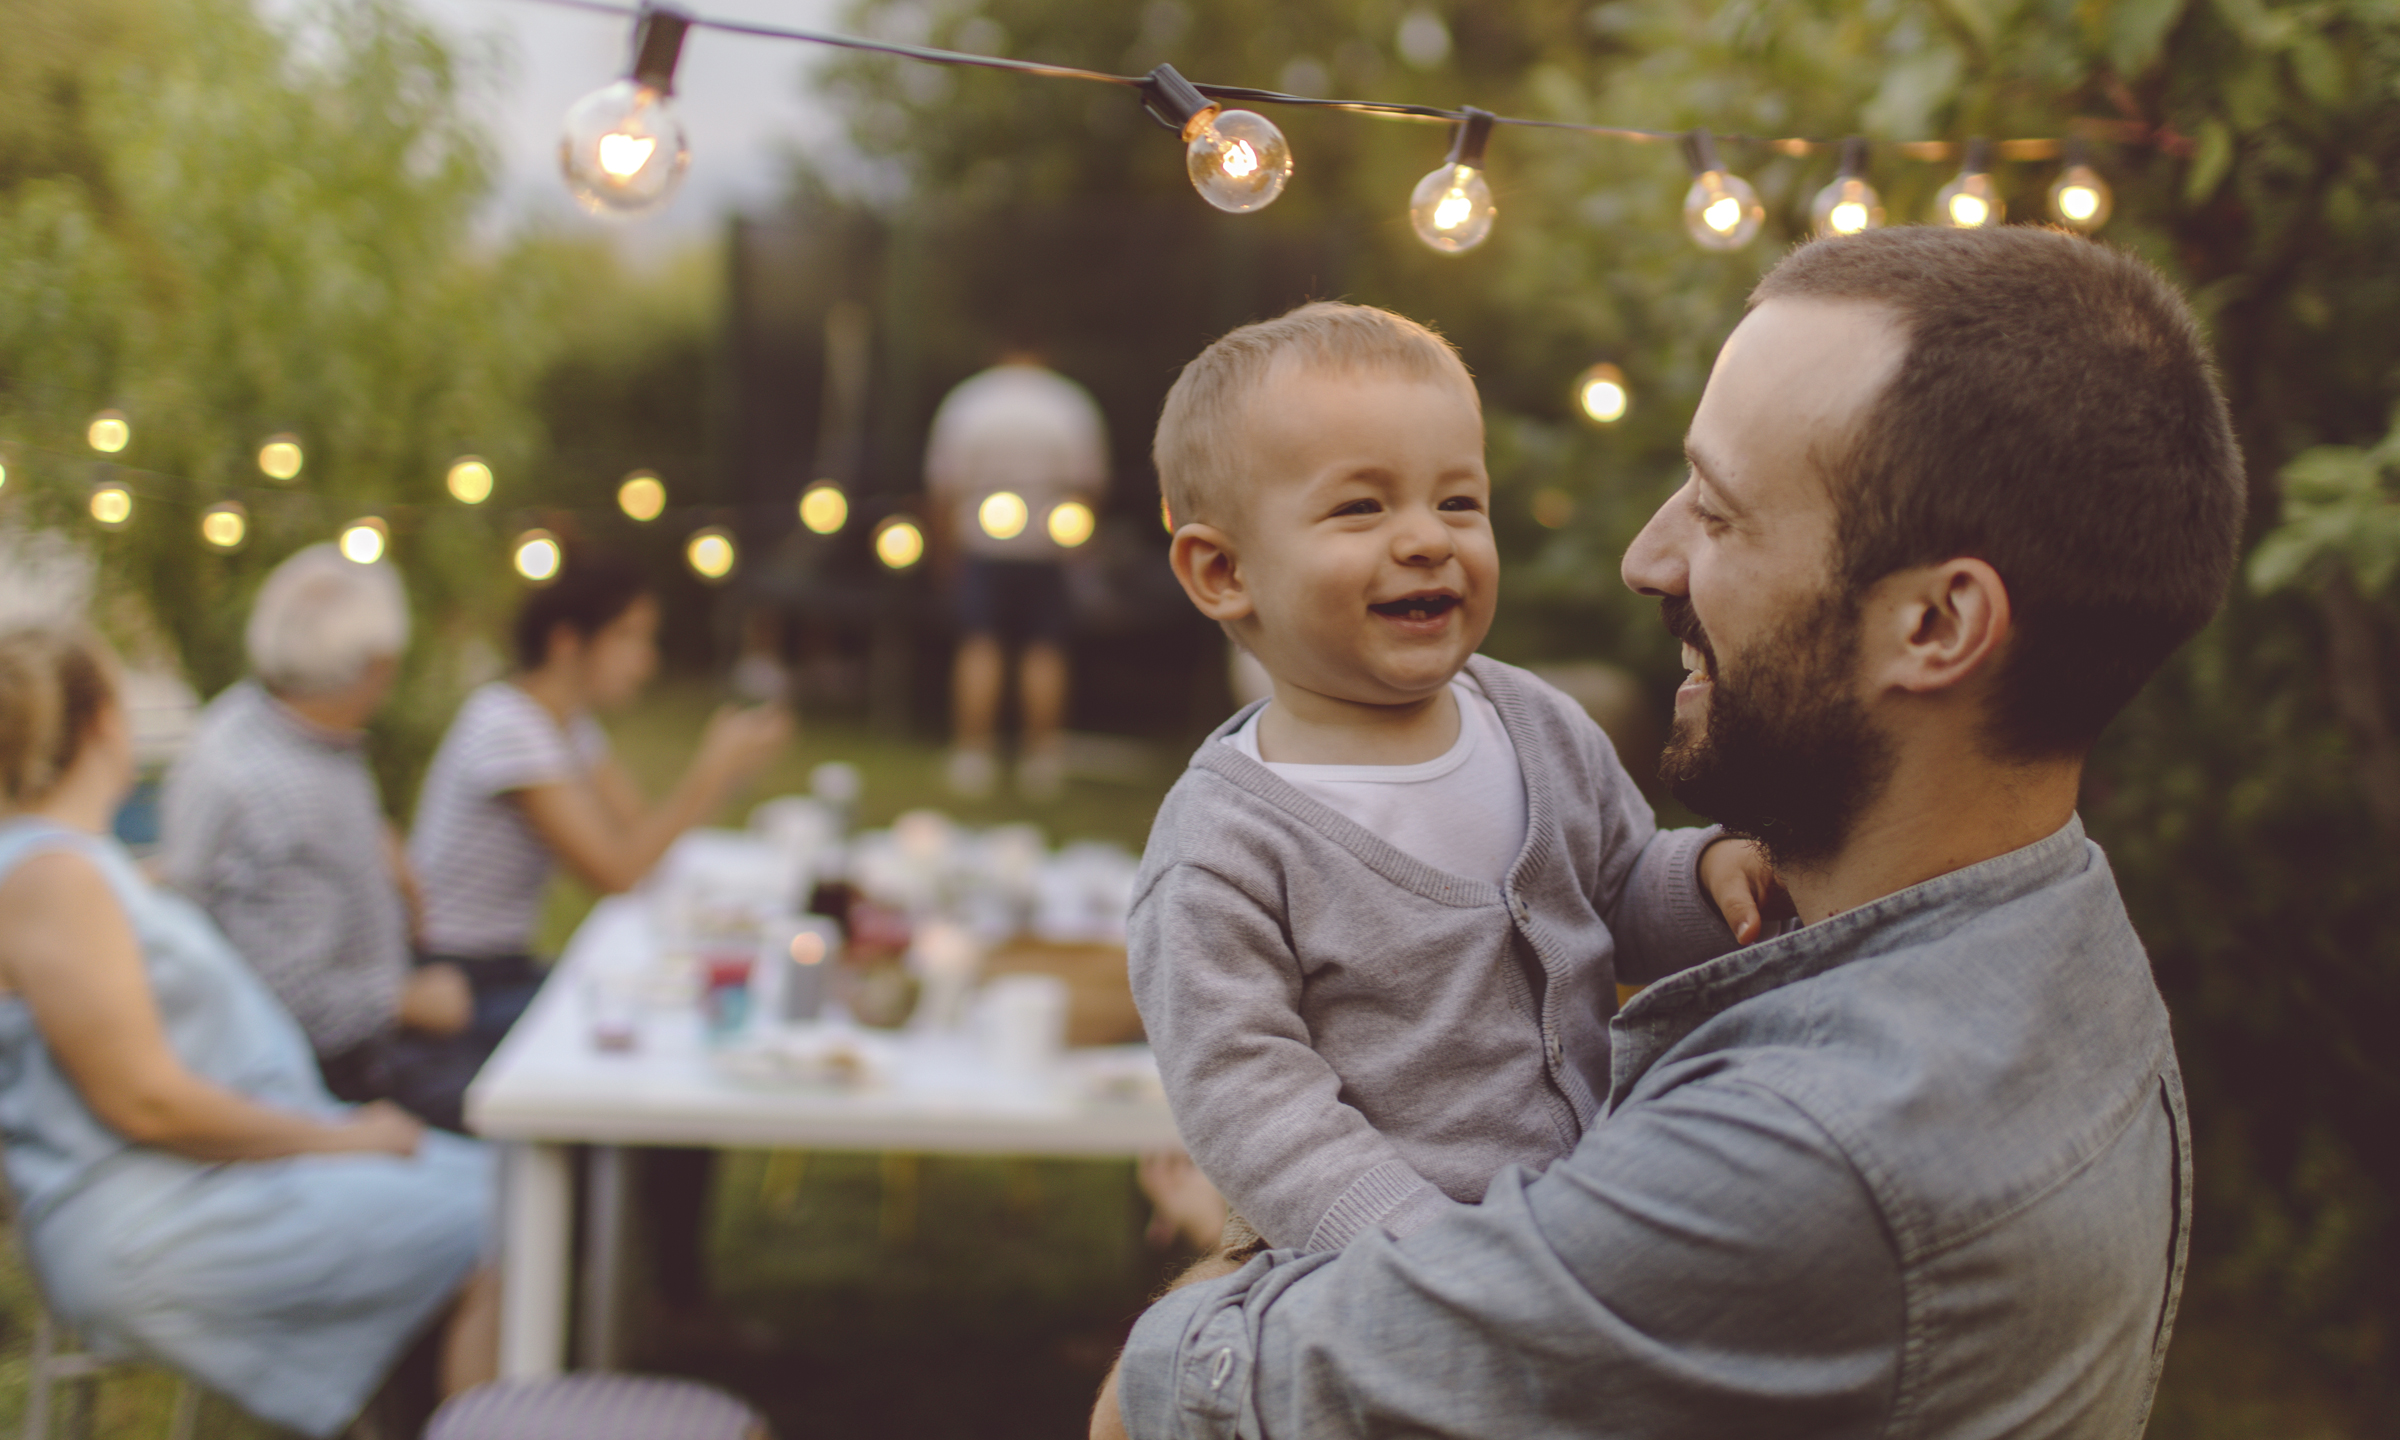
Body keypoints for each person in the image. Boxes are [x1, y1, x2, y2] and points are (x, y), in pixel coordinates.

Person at [1094, 225, 2245, 1438]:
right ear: (1222, 573)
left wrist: (1236, 1287)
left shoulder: (1798, 1160)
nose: (1648, 559)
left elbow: (1149, 1406)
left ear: (1936, 624)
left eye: (1720, 511)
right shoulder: (2059, 933)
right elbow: (1252, 1086)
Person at [1132, 301, 1778, 1254]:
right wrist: (1421, 1254)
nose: (1427, 538)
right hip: (1394, 1287)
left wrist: (1700, 879)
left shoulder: (1537, 724)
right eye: (1362, 506)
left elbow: (1616, 893)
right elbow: (1253, 1103)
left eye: (1458, 501)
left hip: (1591, 1230)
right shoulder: (1222, 850)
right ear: (1224, 571)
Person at [0, 624, 496, 1439]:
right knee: (509, 1212)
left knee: (505, 1182)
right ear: (101, 725)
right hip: (156, 1219)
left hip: (202, 1188)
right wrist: (339, 1139)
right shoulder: (56, 879)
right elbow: (145, 1103)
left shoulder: (75, 866)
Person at [407, 545, 789, 1322]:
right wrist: (711, 772)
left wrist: (706, 785)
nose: (645, 663)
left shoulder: (566, 727)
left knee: (678, 1040)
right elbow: (616, 868)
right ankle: (639, 1300)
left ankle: (662, 1291)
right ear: (567, 642)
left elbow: (641, 846)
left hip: (502, 967)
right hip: (457, 981)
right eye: (632, 638)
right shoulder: (506, 729)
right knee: (658, 1050)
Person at [159, 543, 472, 1120]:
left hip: (341, 1038)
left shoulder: (247, 718)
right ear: (376, 668)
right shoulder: (282, 792)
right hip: (327, 1081)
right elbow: (286, 1000)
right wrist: (407, 1000)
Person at [924, 352, 1109, 801]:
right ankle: (1041, 760)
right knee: (1045, 649)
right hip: (1046, 546)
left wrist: (944, 552)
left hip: (982, 545)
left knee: (980, 643)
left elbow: (943, 486)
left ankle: (973, 756)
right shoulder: (1068, 403)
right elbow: (1090, 484)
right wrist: (1080, 546)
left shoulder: (969, 401)